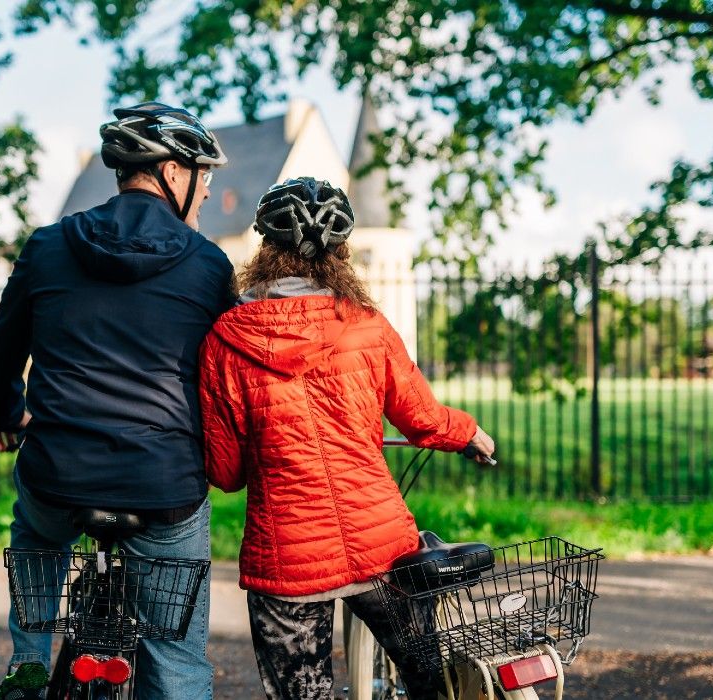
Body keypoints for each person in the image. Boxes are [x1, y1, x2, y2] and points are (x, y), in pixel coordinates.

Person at [198, 177, 496, 700]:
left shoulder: (226, 339)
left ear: (265, 250)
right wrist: (468, 432)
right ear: (342, 253)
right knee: (433, 681)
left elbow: (224, 473)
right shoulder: (368, 326)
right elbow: (423, 419)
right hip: (380, 544)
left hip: (287, 558)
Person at [0, 102, 235, 700]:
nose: (205, 192)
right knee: (176, 659)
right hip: (162, 482)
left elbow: (6, 344)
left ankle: (29, 666)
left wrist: (5, 414)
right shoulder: (208, 265)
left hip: (59, 470)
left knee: (38, 533)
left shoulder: (47, 246)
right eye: (203, 176)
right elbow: (227, 376)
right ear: (173, 172)